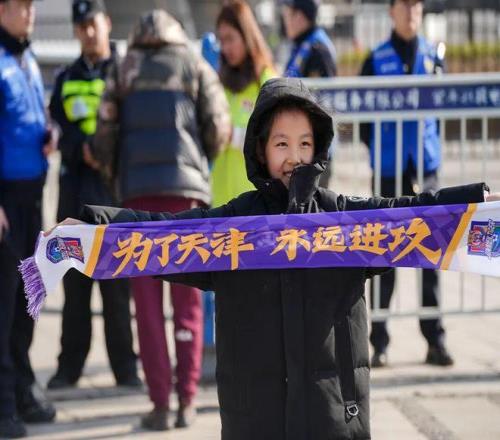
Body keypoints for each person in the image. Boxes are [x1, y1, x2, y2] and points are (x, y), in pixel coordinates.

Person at [56, 77, 494, 439]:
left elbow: (412, 215)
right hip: (255, 419)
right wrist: (94, 227)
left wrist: (475, 204)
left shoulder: (345, 222)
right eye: (282, 144)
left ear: (318, 149)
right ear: (261, 149)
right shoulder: (234, 226)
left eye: (305, 143)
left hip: (332, 416)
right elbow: (165, 235)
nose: (294, 157)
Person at [91, 9, 230, 431]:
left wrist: (114, 175)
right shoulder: (193, 62)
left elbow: (104, 133)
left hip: (137, 197)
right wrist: (198, 163)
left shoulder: (123, 67)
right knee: (187, 302)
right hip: (185, 198)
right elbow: (218, 126)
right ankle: (187, 399)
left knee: (147, 307)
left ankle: (159, 405)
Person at [46, 0, 140, 390]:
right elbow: (55, 127)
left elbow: (134, 124)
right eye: (81, 26)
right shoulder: (66, 77)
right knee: (75, 286)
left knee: (117, 288)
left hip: (112, 191)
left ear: (107, 23)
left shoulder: (125, 72)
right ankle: (69, 367)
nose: (88, 32)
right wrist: (80, 147)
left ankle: (126, 369)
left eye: (93, 23)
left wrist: (104, 150)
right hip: (74, 191)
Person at [359, 0, 449, 368]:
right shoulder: (375, 59)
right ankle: (379, 342)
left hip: (425, 167)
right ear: (391, 12)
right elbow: (364, 121)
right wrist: (380, 150)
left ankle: (435, 339)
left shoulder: (434, 56)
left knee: (432, 252)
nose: (411, 11)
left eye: (416, 4)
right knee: (386, 253)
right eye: (404, 4)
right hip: (389, 168)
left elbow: (443, 112)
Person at [0, 0, 57, 437]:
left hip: (32, 195)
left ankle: (21, 388)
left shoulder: (26, 57)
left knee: (27, 299)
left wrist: (49, 134)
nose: (30, 12)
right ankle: (3, 405)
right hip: (5, 201)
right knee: (3, 305)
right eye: (22, 5)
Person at [211, 0, 275, 206]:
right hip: (220, 200)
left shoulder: (266, 81)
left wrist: (233, 135)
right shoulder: (219, 82)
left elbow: (275, 140)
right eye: (221, 40)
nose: (225, 47)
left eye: (230, 38)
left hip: (254, 202)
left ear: (247, 36)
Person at [280, 0, 337, 188]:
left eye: (288, 13)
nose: (285, 19)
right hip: (301, 147)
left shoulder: (318, 48)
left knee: (312, 204)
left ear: (300, 16)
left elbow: (323, 102)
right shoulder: (301, 44)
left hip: (315, 151)